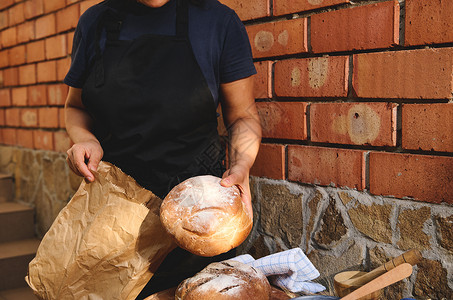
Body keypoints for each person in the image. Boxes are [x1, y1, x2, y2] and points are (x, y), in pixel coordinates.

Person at [63, 0, 261, 297]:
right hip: (115, 213)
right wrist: (84, 138)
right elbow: (74, 108)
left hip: (195, 217)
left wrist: (241, 166)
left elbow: (244, 116)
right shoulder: (96, 22)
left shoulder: (217, 21)